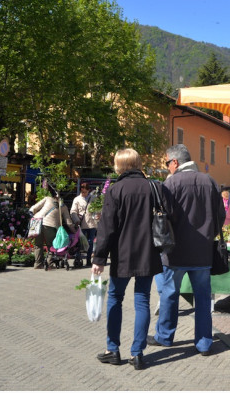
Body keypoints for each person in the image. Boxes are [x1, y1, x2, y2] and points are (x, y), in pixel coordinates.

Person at [92, 148, 169, 370]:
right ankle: (137, 353)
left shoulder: (116, 190)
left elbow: (107, 227)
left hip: (122, 255)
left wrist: (98, 258)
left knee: (115, 298)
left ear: (120, 165)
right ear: (137, 163)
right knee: (142, 299)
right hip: (148, 253)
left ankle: (113, 350)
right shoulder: (154, 187)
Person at [148, 144, 224, 356]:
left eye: (166, 163)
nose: (167, 168)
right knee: (202, 297)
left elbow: (163, 218)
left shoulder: (171, 183)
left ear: (175, 162)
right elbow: (220, 216)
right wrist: (210, 234)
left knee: (169, 294)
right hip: (203, 251)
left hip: (175, 251)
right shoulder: (210, 181)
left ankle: (164, 337)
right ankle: (204, 343)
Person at [29, 189, 75, 269]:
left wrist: (34, 214)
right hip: (50, 225)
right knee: (51, 245)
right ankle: (49, 263)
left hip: (37, 222)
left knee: (38, 244)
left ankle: (38, 264)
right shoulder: (63, 206)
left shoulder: (47, 199)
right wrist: (74, 231)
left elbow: (33, 208)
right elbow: (68, 222)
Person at [71, 182, 99, 267]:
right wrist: (76, 220)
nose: (83, 194)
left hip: (92, 223)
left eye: (85, 192)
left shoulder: (94, 198)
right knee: (80, 242)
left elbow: (98, 209)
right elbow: (73, 211)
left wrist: (97, 215)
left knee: (90, 242)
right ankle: (78, 259)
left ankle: (88, 260)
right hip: (81, 224)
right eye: (82, 192)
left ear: (88, 190)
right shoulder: (77, 199)